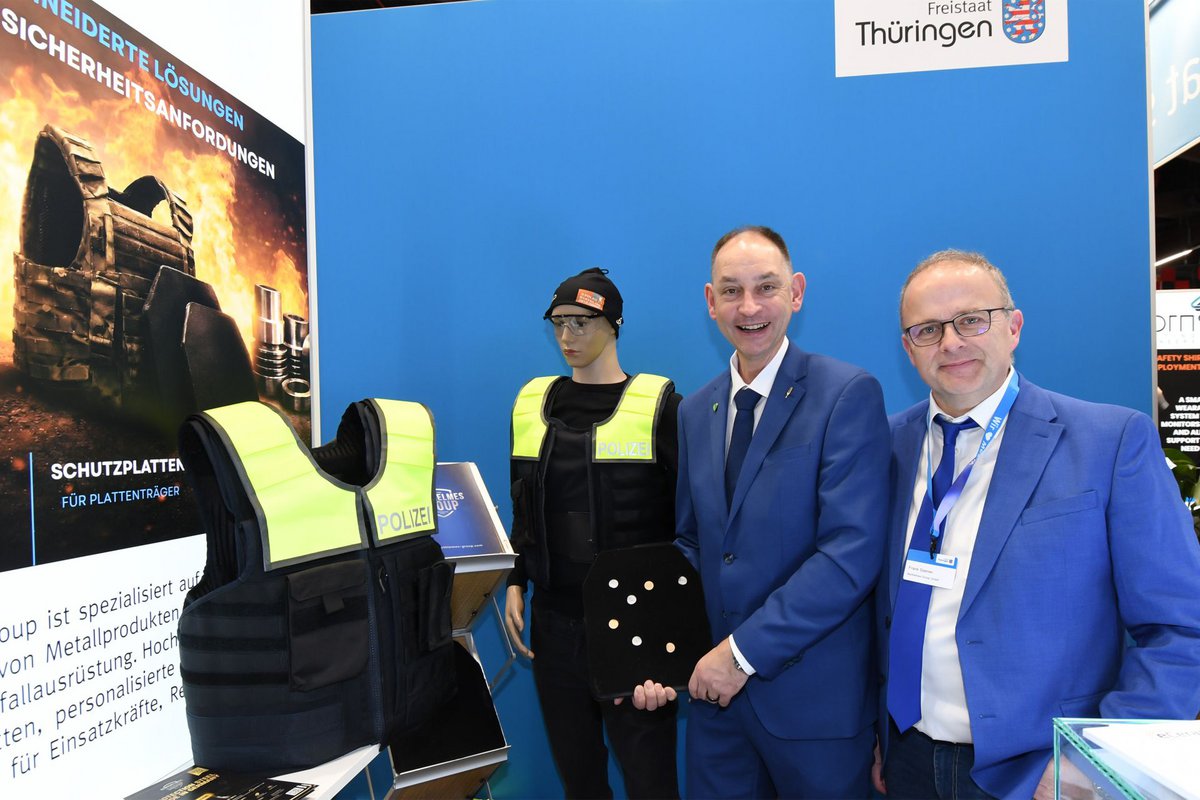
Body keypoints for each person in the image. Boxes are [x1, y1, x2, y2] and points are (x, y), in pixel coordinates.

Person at [876, 249, 1200, 800]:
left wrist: (1095, 762)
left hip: (1042, 774)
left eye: (971, 320)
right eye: (927, 330)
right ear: (909, 349)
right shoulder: (883, 446)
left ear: (1014, 327)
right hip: (905, 762)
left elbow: (1180, 628)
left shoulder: (1109, 442)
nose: (951, 342)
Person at [638, 226, 889, 798]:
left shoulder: (846, 394)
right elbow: (694, 545)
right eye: (731, 291)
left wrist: (741, 655)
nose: (749, 307)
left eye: (766, 287)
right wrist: (657, 653)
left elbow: (849, 555)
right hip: (715, 708)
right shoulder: (695, 411)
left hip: (814, 712)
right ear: (711, 302)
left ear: (796, 292)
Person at [505, 267, 682, 799]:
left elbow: (691, 525)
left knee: (650, 781)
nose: (568, 335)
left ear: (614, 324)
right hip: (554, 622)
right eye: (558, 322)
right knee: (579, 779)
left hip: (636, 626)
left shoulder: (661, 407)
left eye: (581, 322)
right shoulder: (531, 404)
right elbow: (523, 507)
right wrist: (515, 579)